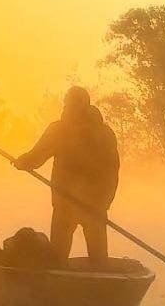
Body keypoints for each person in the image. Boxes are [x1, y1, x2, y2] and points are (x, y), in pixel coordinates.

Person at [13, 86, 120, 267]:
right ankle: (96, 286)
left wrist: (24, 162)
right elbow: (37, 156)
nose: (65, 107)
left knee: (61, 260)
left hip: (84, 206)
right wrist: (23, 162)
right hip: (77, 205)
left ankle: (88, 287)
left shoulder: (65, 130)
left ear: (79, 105)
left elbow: (111, 172)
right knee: (94, 261)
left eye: (68, 103)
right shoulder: (101, 133)